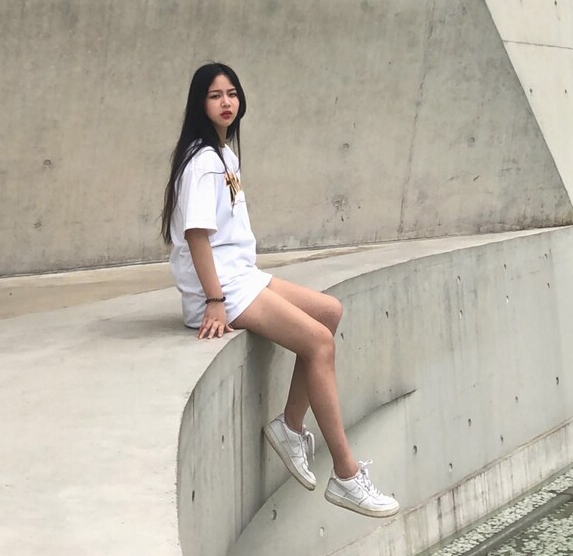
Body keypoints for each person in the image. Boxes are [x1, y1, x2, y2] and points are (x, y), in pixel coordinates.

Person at [160, 62, 399, 518]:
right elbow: (196, 235)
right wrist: (213, 301)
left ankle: (290, 427)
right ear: (199, 103)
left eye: (232, 93)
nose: (226, 102)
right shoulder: (203, 162)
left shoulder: (223, 155)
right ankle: (346, 474)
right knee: (320, 343)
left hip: (241, 275)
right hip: (225, 288)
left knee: (329, 311)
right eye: (215, 95)